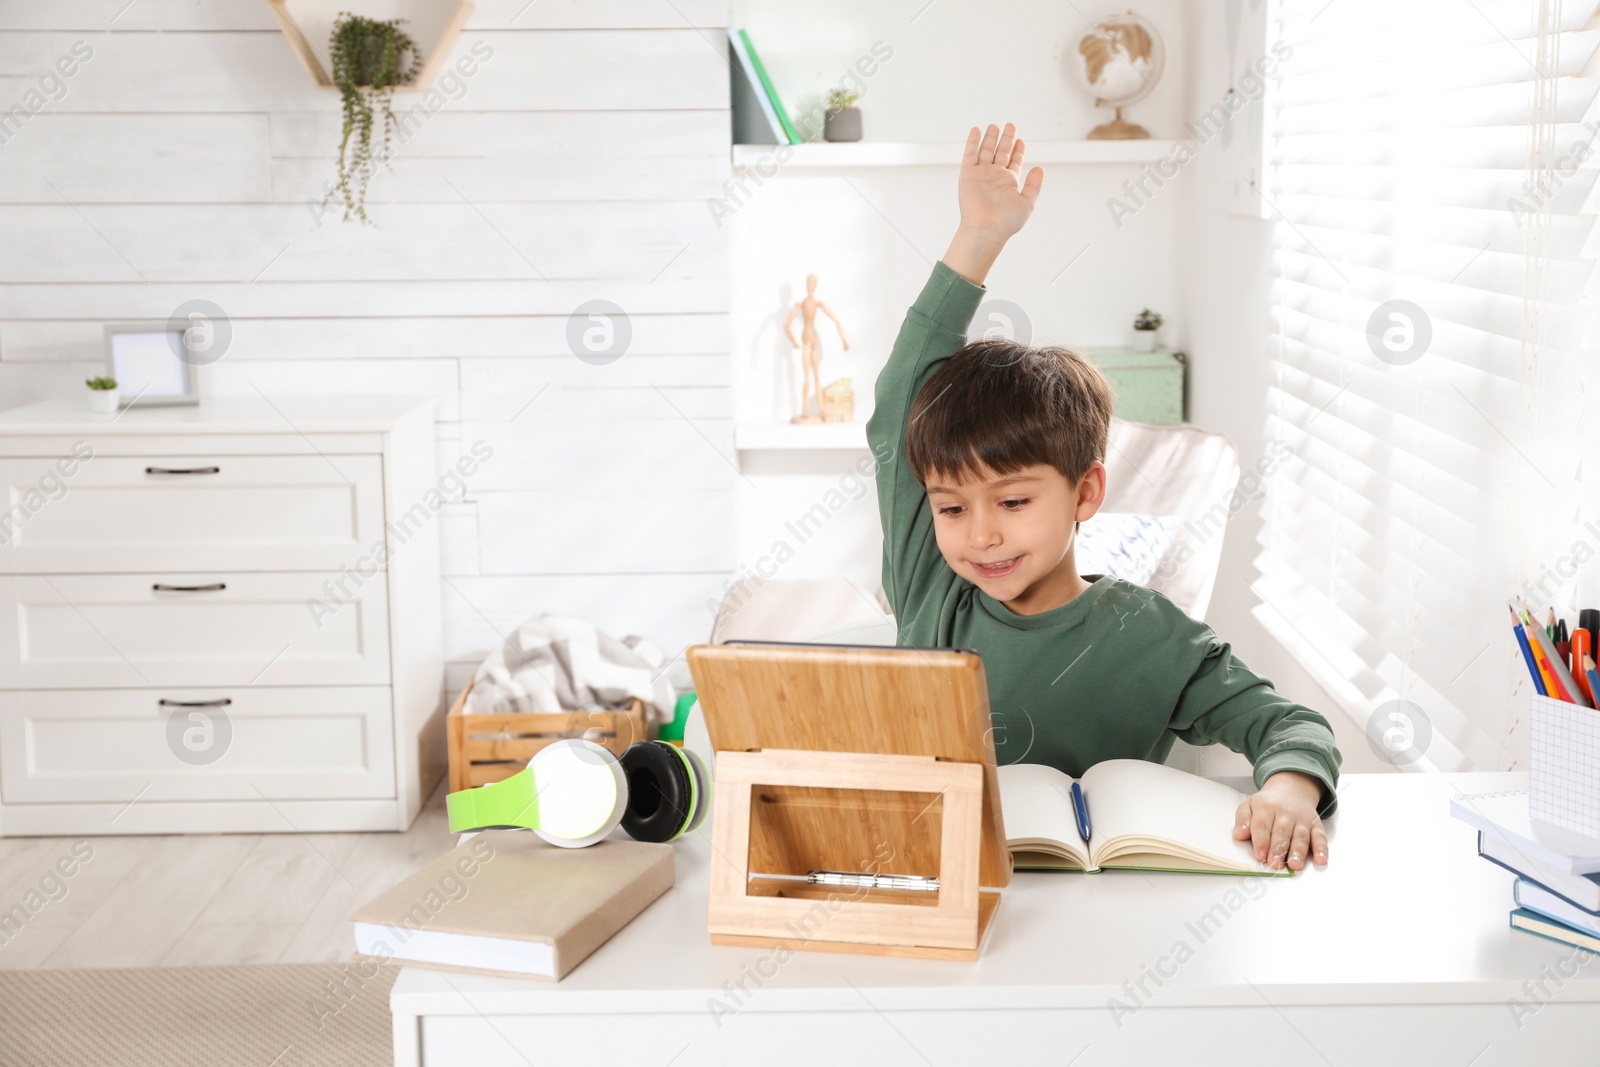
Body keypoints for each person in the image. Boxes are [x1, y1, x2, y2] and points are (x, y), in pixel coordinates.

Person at [866, 122, 1342, 872]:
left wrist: (1289, 789)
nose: (980, 534)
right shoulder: (931, 590)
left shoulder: (1151, 634)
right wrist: (979, 236)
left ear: (1086, 491)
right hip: (941, 886)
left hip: (1103, 912)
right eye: (953, 508)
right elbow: (901, 402)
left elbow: (1285, 721)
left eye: (1013, 502)